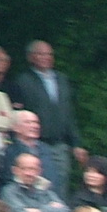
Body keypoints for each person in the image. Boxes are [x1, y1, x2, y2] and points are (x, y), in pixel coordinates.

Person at [11, 41, 85, 195]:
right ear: (30, 57)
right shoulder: (22, 80)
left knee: (61, 183)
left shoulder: (61, 79)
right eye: (40, 54)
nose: (46, 57)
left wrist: (76, 143)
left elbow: (68, 113)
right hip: (35, 143)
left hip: (60, 144)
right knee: (35, 181)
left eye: (49, 54)